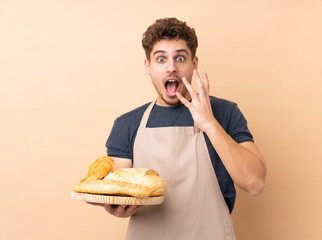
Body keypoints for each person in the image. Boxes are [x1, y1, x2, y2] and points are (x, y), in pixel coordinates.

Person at [91, 17, 266, 239]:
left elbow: (255, 183)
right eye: (161, 59)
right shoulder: (128, 124)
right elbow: (117, 189)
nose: (171, 67)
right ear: (148, 66)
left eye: (180, 58)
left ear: (194, 63)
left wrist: (210, 124)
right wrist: (116, 205)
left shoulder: (225, 113)